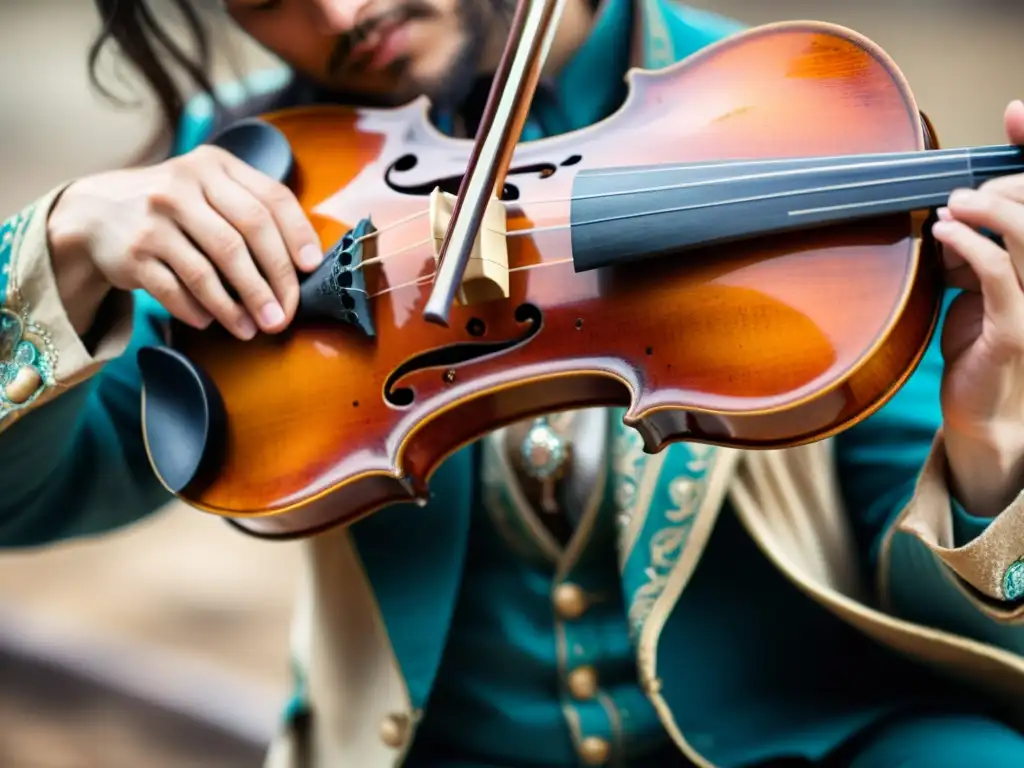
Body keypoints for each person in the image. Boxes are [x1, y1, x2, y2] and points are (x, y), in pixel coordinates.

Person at [2, 0, 1024, 765]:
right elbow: (32, 494)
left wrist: (988, 452)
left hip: (790, 743)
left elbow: (937, 622)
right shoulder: (254, 175)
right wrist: (65, 247)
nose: (346, 15)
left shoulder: (791, 110)